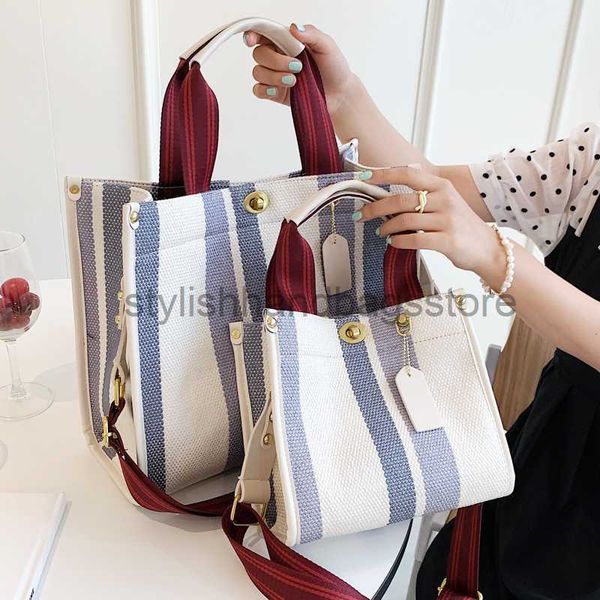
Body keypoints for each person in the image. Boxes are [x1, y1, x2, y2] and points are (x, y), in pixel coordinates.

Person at [243, 24, 600, 599]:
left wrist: (491, 254)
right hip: (544, 466)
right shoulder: (593, 156)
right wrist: (344, 100)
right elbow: (437, 190)